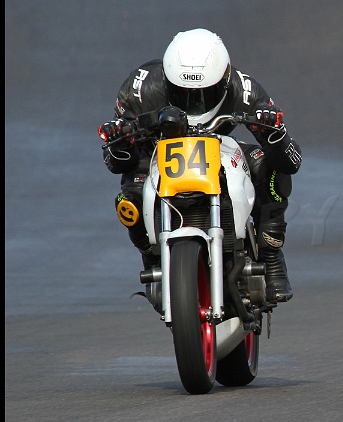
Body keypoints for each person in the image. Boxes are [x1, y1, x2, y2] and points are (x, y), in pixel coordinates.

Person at [98, 28, 302, 304]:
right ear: (168, 83)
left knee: (270, 171)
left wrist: (274, 133)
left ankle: (271, 256)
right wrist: (119, 142)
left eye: (206, 94)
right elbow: (115, 163)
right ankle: (150, 255)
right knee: (128, 202)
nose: (195, 104)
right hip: (157, 154)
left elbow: (291, 161)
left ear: (225, 80)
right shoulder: (140, 89)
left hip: (221, 148)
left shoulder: (246, 89)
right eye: (183, 95)